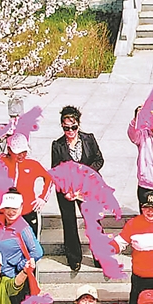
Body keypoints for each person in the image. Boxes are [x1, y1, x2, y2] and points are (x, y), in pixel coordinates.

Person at [51, 105, 105, 273]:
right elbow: (56, 170)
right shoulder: (57, 145)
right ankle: (74, 258)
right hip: (67, 189)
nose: (70, 131)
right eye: (66, 128)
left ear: (78, 125)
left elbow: (99, 160)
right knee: (69, 222)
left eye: (73, 127)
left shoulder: (89, 139)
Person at [0, 133, 52, 237]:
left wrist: (43, 198)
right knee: (4, 243)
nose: (21, 155)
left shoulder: (32, 164)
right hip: (5, 213)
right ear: (9, 150)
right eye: (17, 152)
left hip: (27, 211)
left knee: (31, 243)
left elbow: (49, 177)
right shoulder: (0, 162)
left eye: (24, 151)